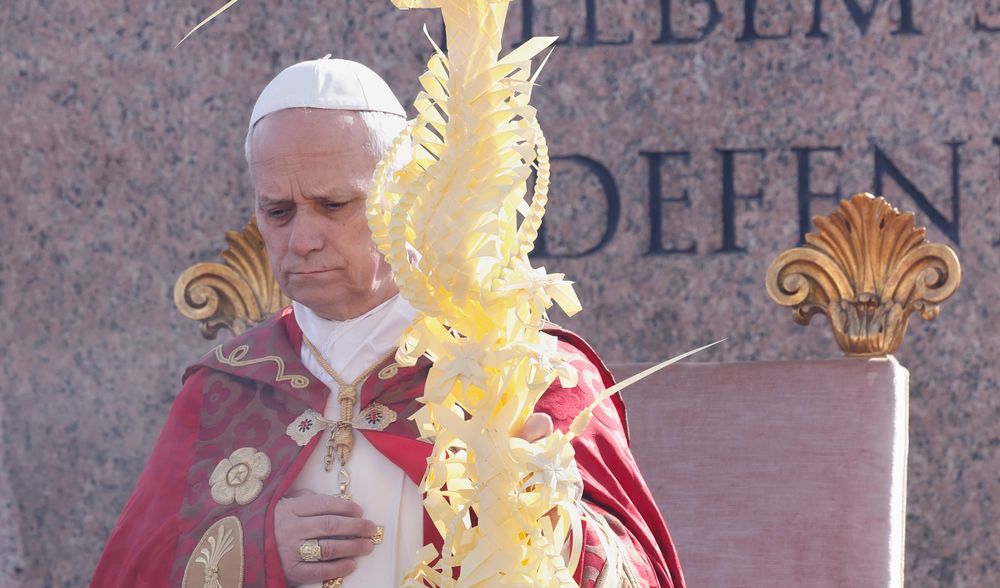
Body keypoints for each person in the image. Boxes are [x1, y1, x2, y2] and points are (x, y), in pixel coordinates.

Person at [91, 57, 685, 588]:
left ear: (403, 200)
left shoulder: (522, 373)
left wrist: (545, 523)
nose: (301, 240)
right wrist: (253, 550)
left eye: (333, 206)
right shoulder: (224, 389)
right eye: (278, 211)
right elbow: (131, 571)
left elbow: (641, 573)